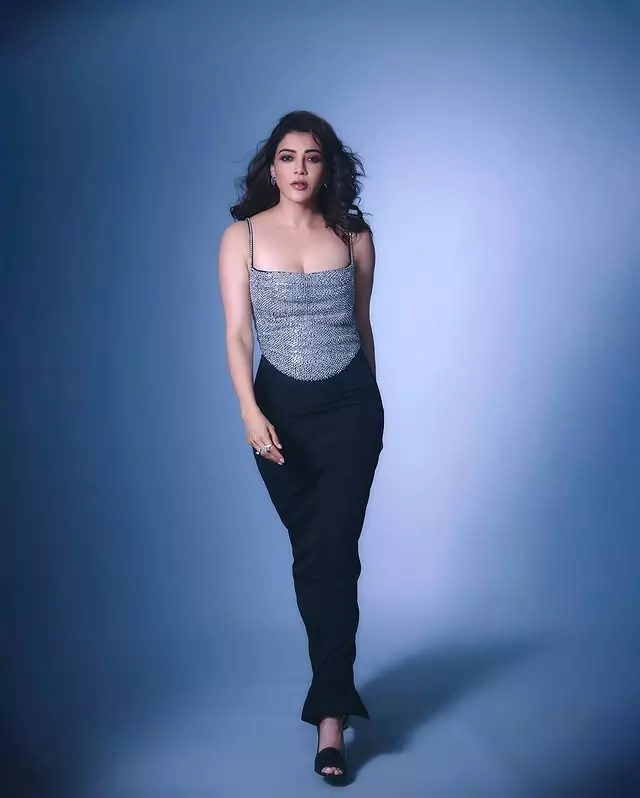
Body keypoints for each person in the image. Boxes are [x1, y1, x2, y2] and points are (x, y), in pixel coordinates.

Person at [218, 109, 384, 783]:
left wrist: (373, 408)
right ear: (271, 166)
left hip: (350, 411)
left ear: (328, 167)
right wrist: (249, 411)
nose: (299, 169)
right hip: (277, 416)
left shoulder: (354, 236)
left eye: (312, 157)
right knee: (314, 555)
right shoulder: (241, 236)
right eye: (287, 157)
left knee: (335, 553)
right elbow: (238, 334)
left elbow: (363, 326)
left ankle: (330, 720)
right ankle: (332, 695)